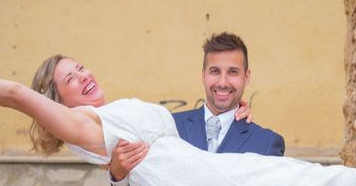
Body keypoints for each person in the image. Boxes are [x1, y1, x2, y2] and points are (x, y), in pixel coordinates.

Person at [0, 54, 356, 186]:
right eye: (69, 78)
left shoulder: (111, 114)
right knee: (303, 178)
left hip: (201, 169)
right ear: (56, 100)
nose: (82, 76)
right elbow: (14, 93)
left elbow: (170, 127)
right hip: (200, 180)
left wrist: (229, 113)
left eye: (80, 66)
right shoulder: (83, 127)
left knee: (303, 176)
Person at [109, 32, 284, 186]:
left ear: (246, 77)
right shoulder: (166, 127)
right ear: (203, 75)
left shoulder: (267, 144)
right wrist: (118, 177)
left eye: (232, 72)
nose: (222, 82)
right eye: (215, 71)